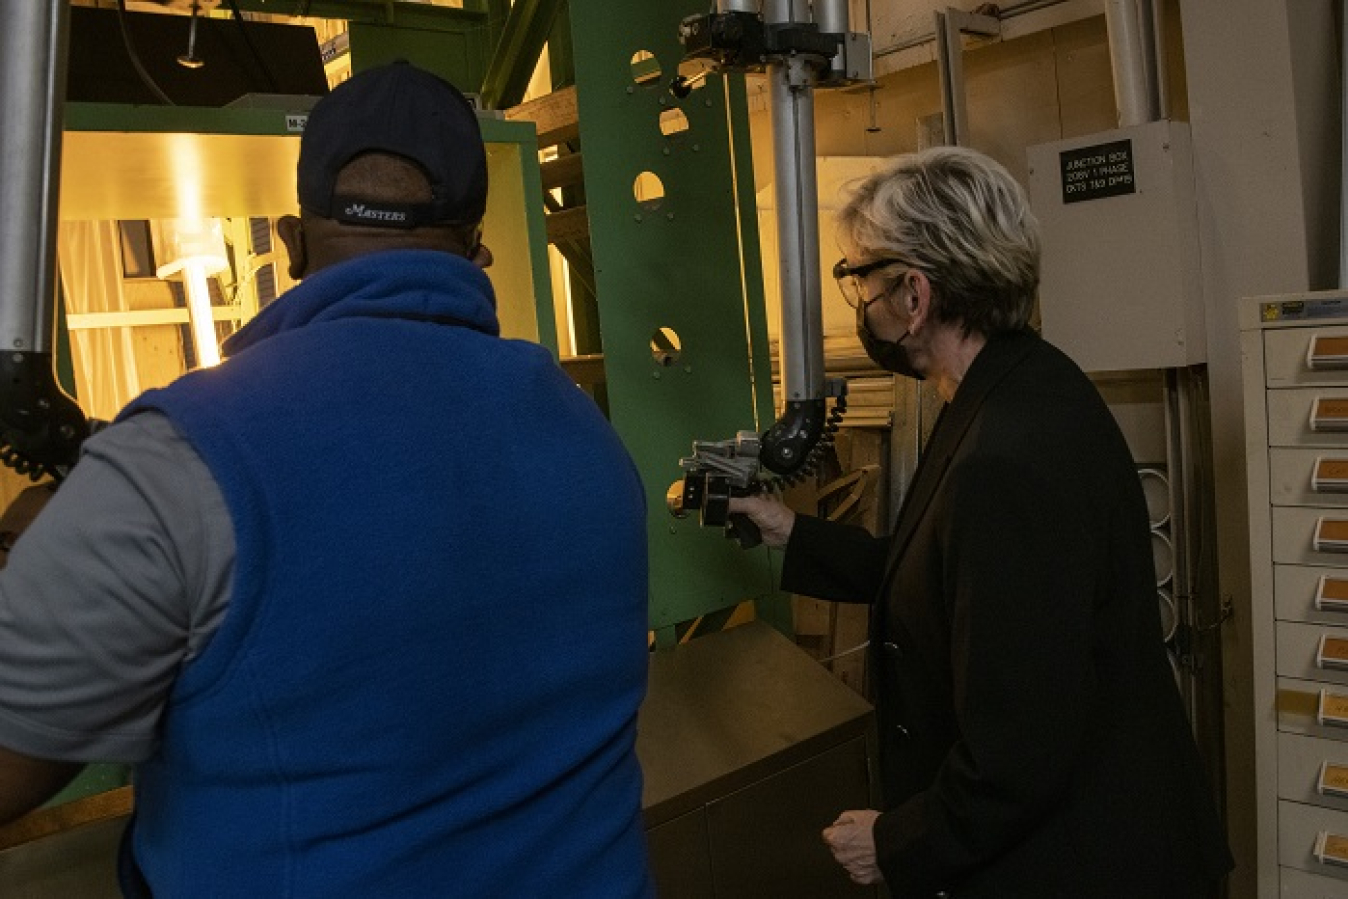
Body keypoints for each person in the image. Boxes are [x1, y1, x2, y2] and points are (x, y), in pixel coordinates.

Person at [0, 61, 653, 897]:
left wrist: (37, 546)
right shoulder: (588, 433)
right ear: (477, 249)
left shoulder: (176, 458)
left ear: (291, 240)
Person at [731, 146, 1232, 897]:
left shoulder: (1007, 453)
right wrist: (789, 530)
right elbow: (938, 573)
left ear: (914, 295)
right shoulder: (1014, 385)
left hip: (1087, 860)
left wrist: (894, 842)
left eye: (861, 278)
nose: (858, 300)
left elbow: (1019, 751)